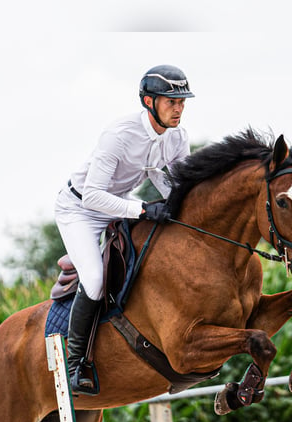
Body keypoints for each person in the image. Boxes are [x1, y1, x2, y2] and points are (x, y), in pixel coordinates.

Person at [54, 64, 195, 394]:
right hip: (80, 209)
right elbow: (92, 194)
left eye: (182, 102)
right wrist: (144, 208)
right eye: (171, 102)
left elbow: (177, 184)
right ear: (149, 102)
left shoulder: (178, 137)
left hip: (120, 202)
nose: (179, 109)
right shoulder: (119, 135)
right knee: (94, 280)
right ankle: (76, 365)